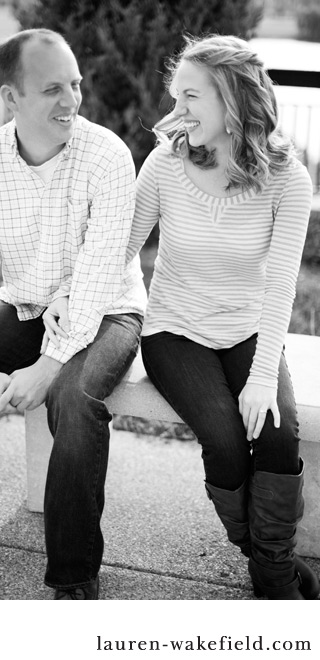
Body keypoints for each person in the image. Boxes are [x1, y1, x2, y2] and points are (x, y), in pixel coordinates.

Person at [0, 29, 147, 599]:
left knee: (75, 398)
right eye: (52, 89)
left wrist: (49, 366)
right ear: (11, 96)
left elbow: (99, 274)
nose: (71, 100)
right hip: (24, 305)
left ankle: (73, 575)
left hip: (110, 312)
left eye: (74, 84)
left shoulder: (108, 156)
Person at [125, 35, 318, 600]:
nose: (175, 112)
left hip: (249, 328)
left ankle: (270, 566)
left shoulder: (288, 178)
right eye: (175, 96)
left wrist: (262, 377)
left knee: (278, 434)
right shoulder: (164, 162)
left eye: (190, 97)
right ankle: (272, 570)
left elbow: (282, 283)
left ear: (233, 100)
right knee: (228, 442)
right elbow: (124, 247)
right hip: (173, 330)